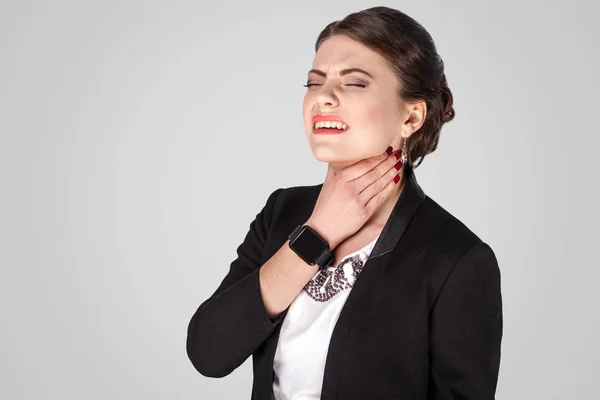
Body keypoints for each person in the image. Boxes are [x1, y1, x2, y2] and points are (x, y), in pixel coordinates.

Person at [186, 6, 502, 400]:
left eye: (354, 83)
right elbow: (208, 353)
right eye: (314, 83)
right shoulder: (281, 212)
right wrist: (317, 233)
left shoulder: (457, 259)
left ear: (412, 117)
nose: (324, 98)